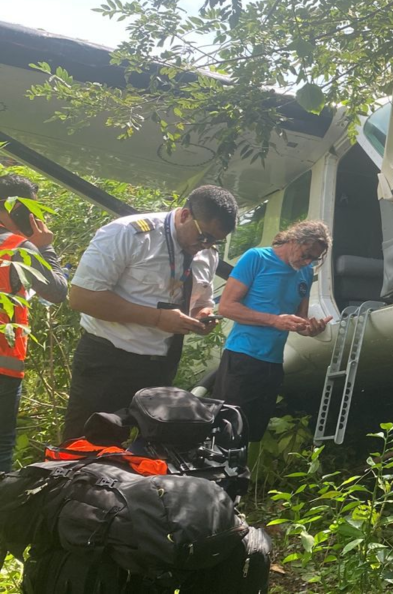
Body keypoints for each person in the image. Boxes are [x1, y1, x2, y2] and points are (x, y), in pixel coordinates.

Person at [63, 185, 237, 440]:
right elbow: (81, 297)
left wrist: (202, 315)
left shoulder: (207, 253)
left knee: (145, 453)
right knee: (85, 447)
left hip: (161, 365)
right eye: (204, 236)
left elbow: (201, 300)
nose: (206, 246)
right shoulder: (127, 233)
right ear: (185, 214)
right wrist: (157, 318)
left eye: (214, 241)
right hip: (109, 361)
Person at [212, 220, 332, 442]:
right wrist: (274, 320)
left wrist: (311, 329)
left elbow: (299, 321)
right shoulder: (256, 258)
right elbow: (226, 307)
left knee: (250, 434)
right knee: (225, 433)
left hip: (274, 364)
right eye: (306, 254)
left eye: (314, 259)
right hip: (242, 358)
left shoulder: (305, 272)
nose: (308, 262)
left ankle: (237, 476)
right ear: (294, 240)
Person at [0, 174, 69, 471]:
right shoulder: (17, 246)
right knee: (1, 444)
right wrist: (45, 247)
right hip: (3, 364)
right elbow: (56, 291)